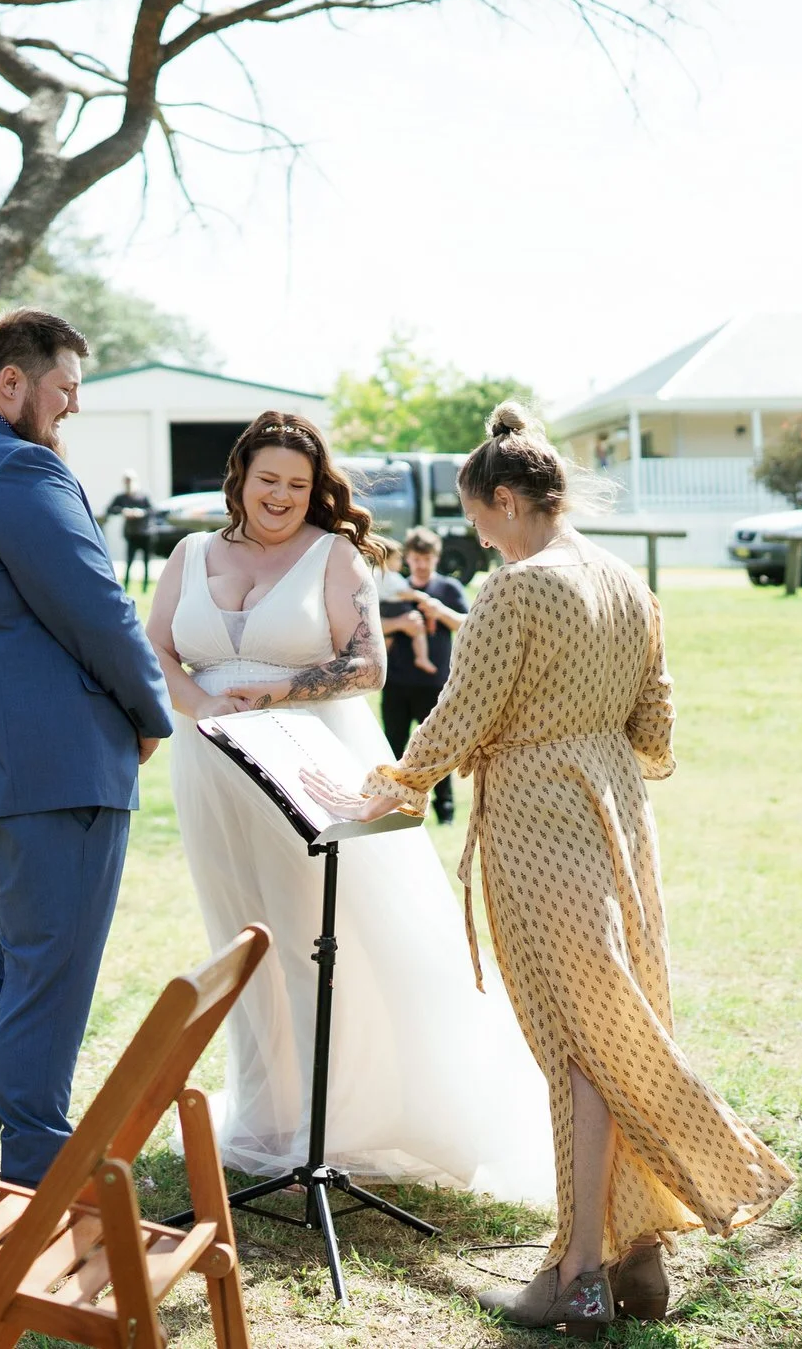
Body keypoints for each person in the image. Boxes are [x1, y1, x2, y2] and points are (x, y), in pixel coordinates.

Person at [310, 402, 793, 1333]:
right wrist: (586, 735)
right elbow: (655, 730)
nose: (478, 541)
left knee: (578, 1044)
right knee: (617, 1022)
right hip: (618, 815)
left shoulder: (515, 590)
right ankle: (638, 1254)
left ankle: (576, 1270)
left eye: (479, 522)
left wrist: (396, 779)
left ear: (504, 499)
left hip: (540, 821)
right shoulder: (626, 582)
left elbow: (459, 713)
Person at [144, 411, 552, 1206]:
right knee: (240, 936)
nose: (282, 497)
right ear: (240, 477)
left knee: (313, 939)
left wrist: (278, 690)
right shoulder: (191, 552)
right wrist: (196, 699)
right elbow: (159, 644)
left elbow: (366, 665)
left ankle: (336, 1126)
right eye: (268, 480)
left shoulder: (334, 555)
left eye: (298, 485)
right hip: (210, 764)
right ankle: (268, 1116)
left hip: (302, 760)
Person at [0, 308, 175, 1189]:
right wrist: (153, 713)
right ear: (10, 383)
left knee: (5, 977)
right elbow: (102, 608)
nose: (71, 411)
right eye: (63, 390)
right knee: (44, 994)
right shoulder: (17, 466)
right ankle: (39, 1198)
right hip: (57, 777)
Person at [378, 526, 470, 825]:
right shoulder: (394, 588)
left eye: (426, 558)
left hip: (436, 685)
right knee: (393, 745)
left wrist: (439, 610)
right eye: (416, 558)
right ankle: (390, 808)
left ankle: (445, 811)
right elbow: (372, 627)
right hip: (397, 682)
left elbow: (467, 625)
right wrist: (401, 624)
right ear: (408, 559)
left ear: (436, 558)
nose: (421, 564)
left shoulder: (448, 589)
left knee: (437, 750)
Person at [375, 538, 440, 679]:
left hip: (383, 608)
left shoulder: (375, 574)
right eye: (397, 559)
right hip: (397, 607)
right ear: (387, 560)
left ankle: (379, 664)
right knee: (418, 629)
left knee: (387, 639)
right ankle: (421, 657)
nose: (400, 563)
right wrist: (421, 597)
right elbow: (405, 593)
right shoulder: (391, 576)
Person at [102, 469, 156, 592]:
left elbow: (153, 511)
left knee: (146, 563)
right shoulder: (121, 498)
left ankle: (145, 587)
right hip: (131, 534)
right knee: (129, 562)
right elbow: (110, 509)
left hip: (145, 533)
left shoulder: (143, 496)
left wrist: (140, 513)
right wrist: (123, 511)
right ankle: (126, 586)